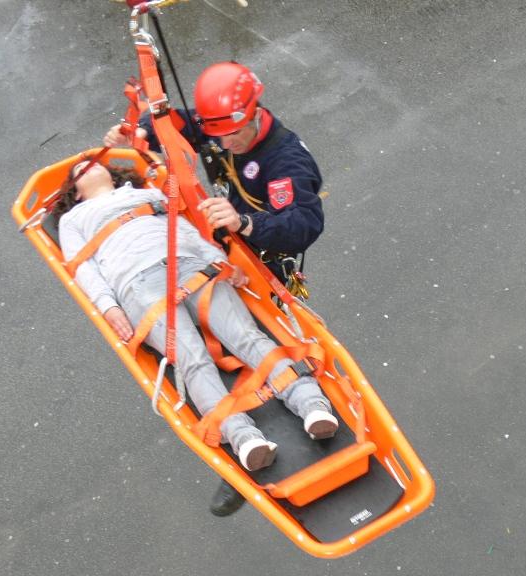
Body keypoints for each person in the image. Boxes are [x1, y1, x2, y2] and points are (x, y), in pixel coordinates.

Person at [55, 159, 339, 473]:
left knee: (246, 337)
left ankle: (312, 406)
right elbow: (82, 267)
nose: (88, 167)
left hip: (190, 264)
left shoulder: (145, 194)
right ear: (76, 193)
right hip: (137, 284)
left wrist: (221, 262)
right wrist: (108, 306)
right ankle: (243, 438)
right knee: (193, 359)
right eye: (80, 171)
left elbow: (185, 230)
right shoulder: (73, 219)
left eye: (92, 163)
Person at [104, 61, 324, 292]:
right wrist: (142, 131)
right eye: (218, 135)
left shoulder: (287, 163)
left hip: (263, 256)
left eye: (234, 134)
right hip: (228, 237)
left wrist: (245, 223)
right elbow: (182, 124)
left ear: (256, 115)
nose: (226, 143)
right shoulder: (224, 122)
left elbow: (303, 224)